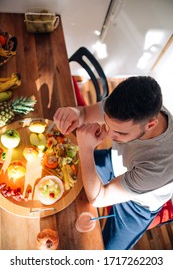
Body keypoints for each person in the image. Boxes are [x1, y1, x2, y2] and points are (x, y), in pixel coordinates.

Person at [53, 76, 173, 250]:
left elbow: (98, 198)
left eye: (120, 133)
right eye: (108, 125)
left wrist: (86, 149)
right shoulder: (125, 105)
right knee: (66, 171)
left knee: (107, 252)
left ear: (151, 124)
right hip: (115, 161)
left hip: (138, 206)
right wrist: (76, 113)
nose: (109, 136)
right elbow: (85, 114)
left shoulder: (161, 165)